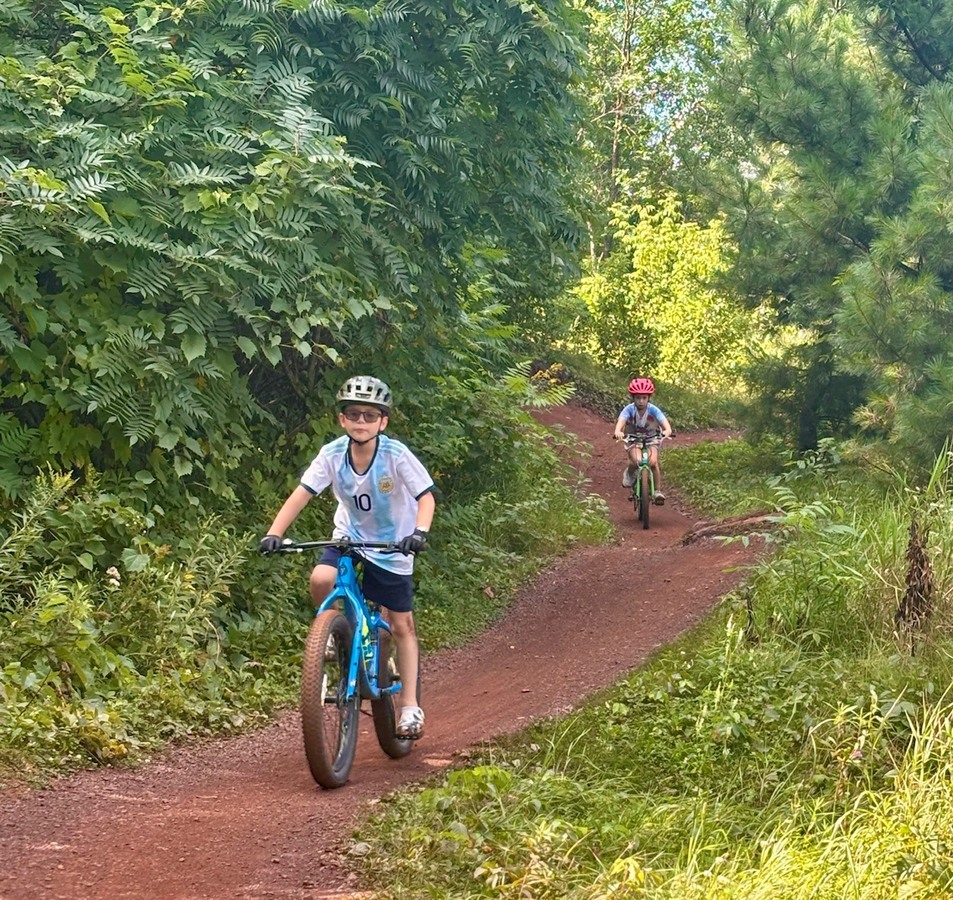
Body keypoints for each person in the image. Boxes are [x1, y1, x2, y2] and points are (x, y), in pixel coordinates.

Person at [259, 376, 435, 739]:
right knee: (321, 579)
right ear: (342, 419)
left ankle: (410, 706)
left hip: (392, 544)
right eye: (353, 414)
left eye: (370, 415)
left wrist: (419, 532)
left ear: (383, 422)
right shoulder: (332, 454)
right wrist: (274, 533)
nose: (361, 421)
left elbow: (426, 497)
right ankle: (338, 635)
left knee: (400, 624)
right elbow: (302, 494)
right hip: (349, 537)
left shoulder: (396, 455)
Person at [613, 377, 673, 505]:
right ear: (633, 397)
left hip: (652, 440)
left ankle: (657, 491)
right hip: (633, 440)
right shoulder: (629, 409)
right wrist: (618, 431)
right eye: (638, 398)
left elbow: (664, 423)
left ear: (648, 398)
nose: (641, 401)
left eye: (644, 398)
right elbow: (621, 421)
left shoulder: (653, 410)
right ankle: (630, 473)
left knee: (653, 462)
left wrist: (667, 430)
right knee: (637, 461)